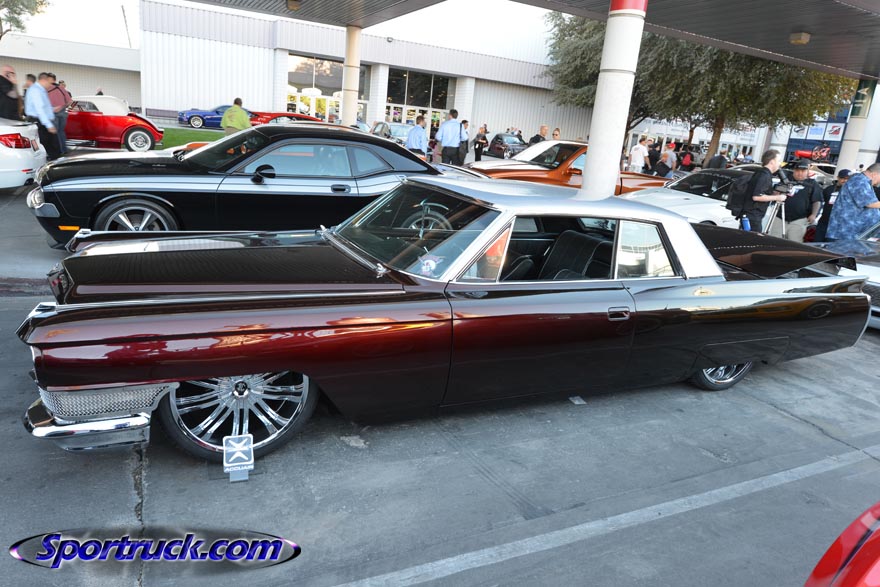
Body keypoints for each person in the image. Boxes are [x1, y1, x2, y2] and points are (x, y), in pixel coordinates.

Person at [768, 159, 823, 242]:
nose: (800, 173)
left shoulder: (812, 184)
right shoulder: (786, 180)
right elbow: (774, 193)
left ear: (807, 171)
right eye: (797, 170)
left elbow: (817, 200)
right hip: (779, 217)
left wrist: (813, 214)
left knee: (794, 243)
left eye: (803, 171)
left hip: (799, 220)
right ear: (794, 171)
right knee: (774, 242)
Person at [825, 163, 880, 241]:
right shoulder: (859, 181)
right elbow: (869, 203)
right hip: (845, 234)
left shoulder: (863, 181)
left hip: (854, 234)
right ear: (874, 174)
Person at [740, 149, 787, 232]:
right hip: (752, 217)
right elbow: (756, 196)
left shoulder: (762, 173)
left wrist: (773, 193)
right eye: (779, 161)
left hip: (752, 216)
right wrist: (778, 197)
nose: (780, 164)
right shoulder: (764, 175)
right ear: (772, 162)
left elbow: (760, 191)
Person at [24, 72, 60, 160]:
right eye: (49, 83)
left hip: (43, 121)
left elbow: (44, 106)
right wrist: (49, 125)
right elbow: (39, 109)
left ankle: (53, 161)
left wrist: (52, 109)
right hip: (39, 121)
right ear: (44, 80)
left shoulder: (41, 90)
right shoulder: (36, 90)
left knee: (52, 147)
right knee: (49, 147)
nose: (50, 85)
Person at [814, 169, 849, 242]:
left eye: (847, 179)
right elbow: (821, 202)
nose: (845, 180)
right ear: (838, 178)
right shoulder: (829, 189)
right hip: (824, 222)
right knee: (817, 243)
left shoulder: (852, 191)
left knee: (831, 245)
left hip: (838, 225)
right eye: (842, 178)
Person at [47, 73, 71, 154]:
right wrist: (61, 107)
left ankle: (58, 151)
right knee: (61, 132)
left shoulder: (46, 89)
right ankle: (64, 150)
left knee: (55, 133)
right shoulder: (61, 88)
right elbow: (70, 101)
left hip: (53, 113)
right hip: (63, 114)